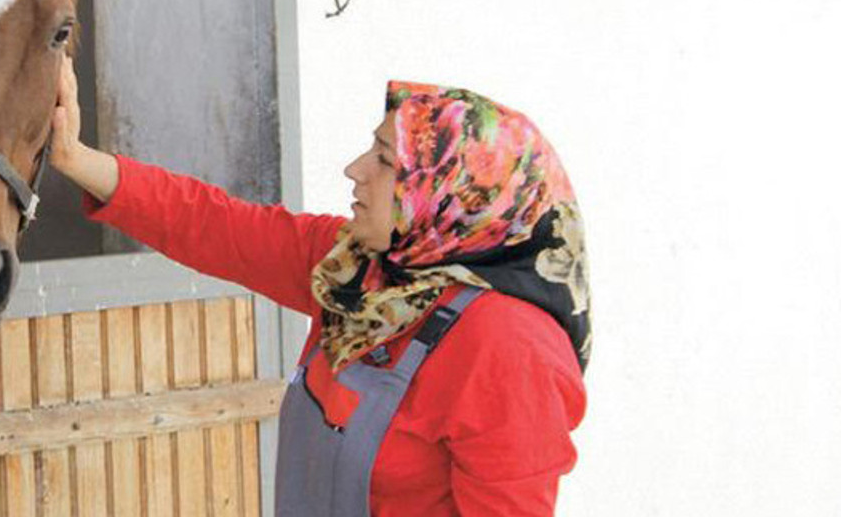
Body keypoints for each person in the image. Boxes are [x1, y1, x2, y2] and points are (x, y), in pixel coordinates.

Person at [50, 55, 590, 517]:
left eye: (384, 160)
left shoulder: (510, 348)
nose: (355, 170)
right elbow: (214, 226)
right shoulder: (356, 270)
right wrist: (74, 157)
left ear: (450, 196)